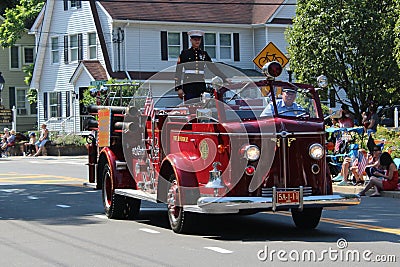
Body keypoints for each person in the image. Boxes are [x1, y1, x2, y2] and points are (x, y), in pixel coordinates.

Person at [174, 30, 225, 101]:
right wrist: (178, 88)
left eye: (199, 39)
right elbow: (178, 71)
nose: (197, 41)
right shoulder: (185, 53)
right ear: (191, 40)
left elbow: (212, 67)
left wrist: (224, 78)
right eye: (195, 39)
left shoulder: (203, 54)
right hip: (189, 84)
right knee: (190, 106)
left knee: (202, 105)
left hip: (200, 84)